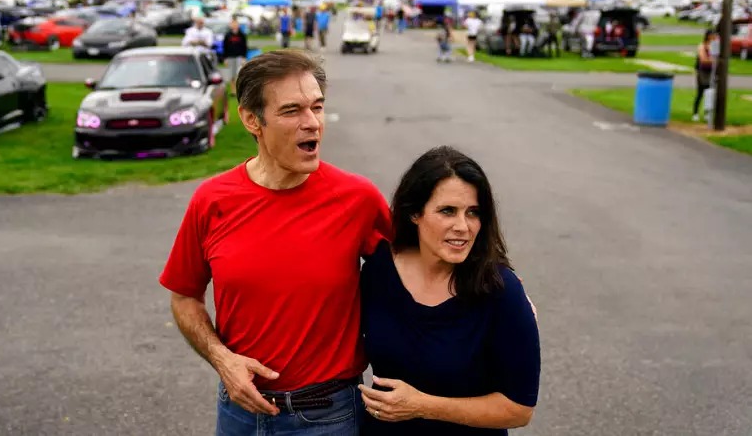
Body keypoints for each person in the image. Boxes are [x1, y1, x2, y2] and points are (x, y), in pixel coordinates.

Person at [159, 49, 392, 435]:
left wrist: (502, 287)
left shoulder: (358, 200)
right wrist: (222, 359)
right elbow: (184, 296)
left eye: (317, 107)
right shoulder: (212, 201)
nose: (312, 123)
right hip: (239, 412)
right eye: (292, 111)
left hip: (328, 417)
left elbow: (426, 266)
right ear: (252, 120)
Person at [359, 146, 540, 435]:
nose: (463, 227)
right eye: (447, 211)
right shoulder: (379, 270)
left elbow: (519, 408)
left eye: (473, 213)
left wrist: (422, 405)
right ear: (414, 213)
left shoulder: (499, 290)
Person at [692, 29, 718, 122]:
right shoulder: (702, 46)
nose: (713, 37)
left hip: (712, 71)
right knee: (700, 92)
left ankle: (707, 112)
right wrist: (714, 60)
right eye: (712, 35)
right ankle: (695, 113)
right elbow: (703, 59)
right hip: (702, 71)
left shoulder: (715, 46)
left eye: (714, 35)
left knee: (710, 92)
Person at [223, 18, 249, 94]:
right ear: (230, 25)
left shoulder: (242, 35)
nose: (234, 25)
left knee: (238, 73)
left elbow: (244, 47)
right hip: (230, 56)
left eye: (236, 24)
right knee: (231, 74)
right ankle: (233, 90)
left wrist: (244, 57)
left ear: (238, 25)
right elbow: (225, 47)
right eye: (233, 24)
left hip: (239, 57)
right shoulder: (228, 35)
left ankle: (239, 90)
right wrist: (225, 58)